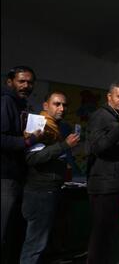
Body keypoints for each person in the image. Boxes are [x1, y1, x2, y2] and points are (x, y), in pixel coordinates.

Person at [20, 91, 80, 263]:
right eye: (57, 104)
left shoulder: (55, 125)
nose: (62, 108)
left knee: (42, 244)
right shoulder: (39, 124)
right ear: (45, 106)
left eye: (64, 104)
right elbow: (33, 158)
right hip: (40, 192)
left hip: (50, 189)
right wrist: (63, 146)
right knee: (34, 245)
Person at [86, 82, 119, 264]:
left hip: (115, 184)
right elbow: (98, 147)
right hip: (104, 185)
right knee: (101, 235)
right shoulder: (101, 116)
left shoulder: (115, 116)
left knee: (110, 233)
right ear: (109, 97)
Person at [1, 66, 39, 263]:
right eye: (21, 81)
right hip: (5, 177)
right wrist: (29, 141)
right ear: (10, 82)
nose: (26, 85)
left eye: (30, 82)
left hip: (15, 175)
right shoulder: (6, 101)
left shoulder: (19, 104)